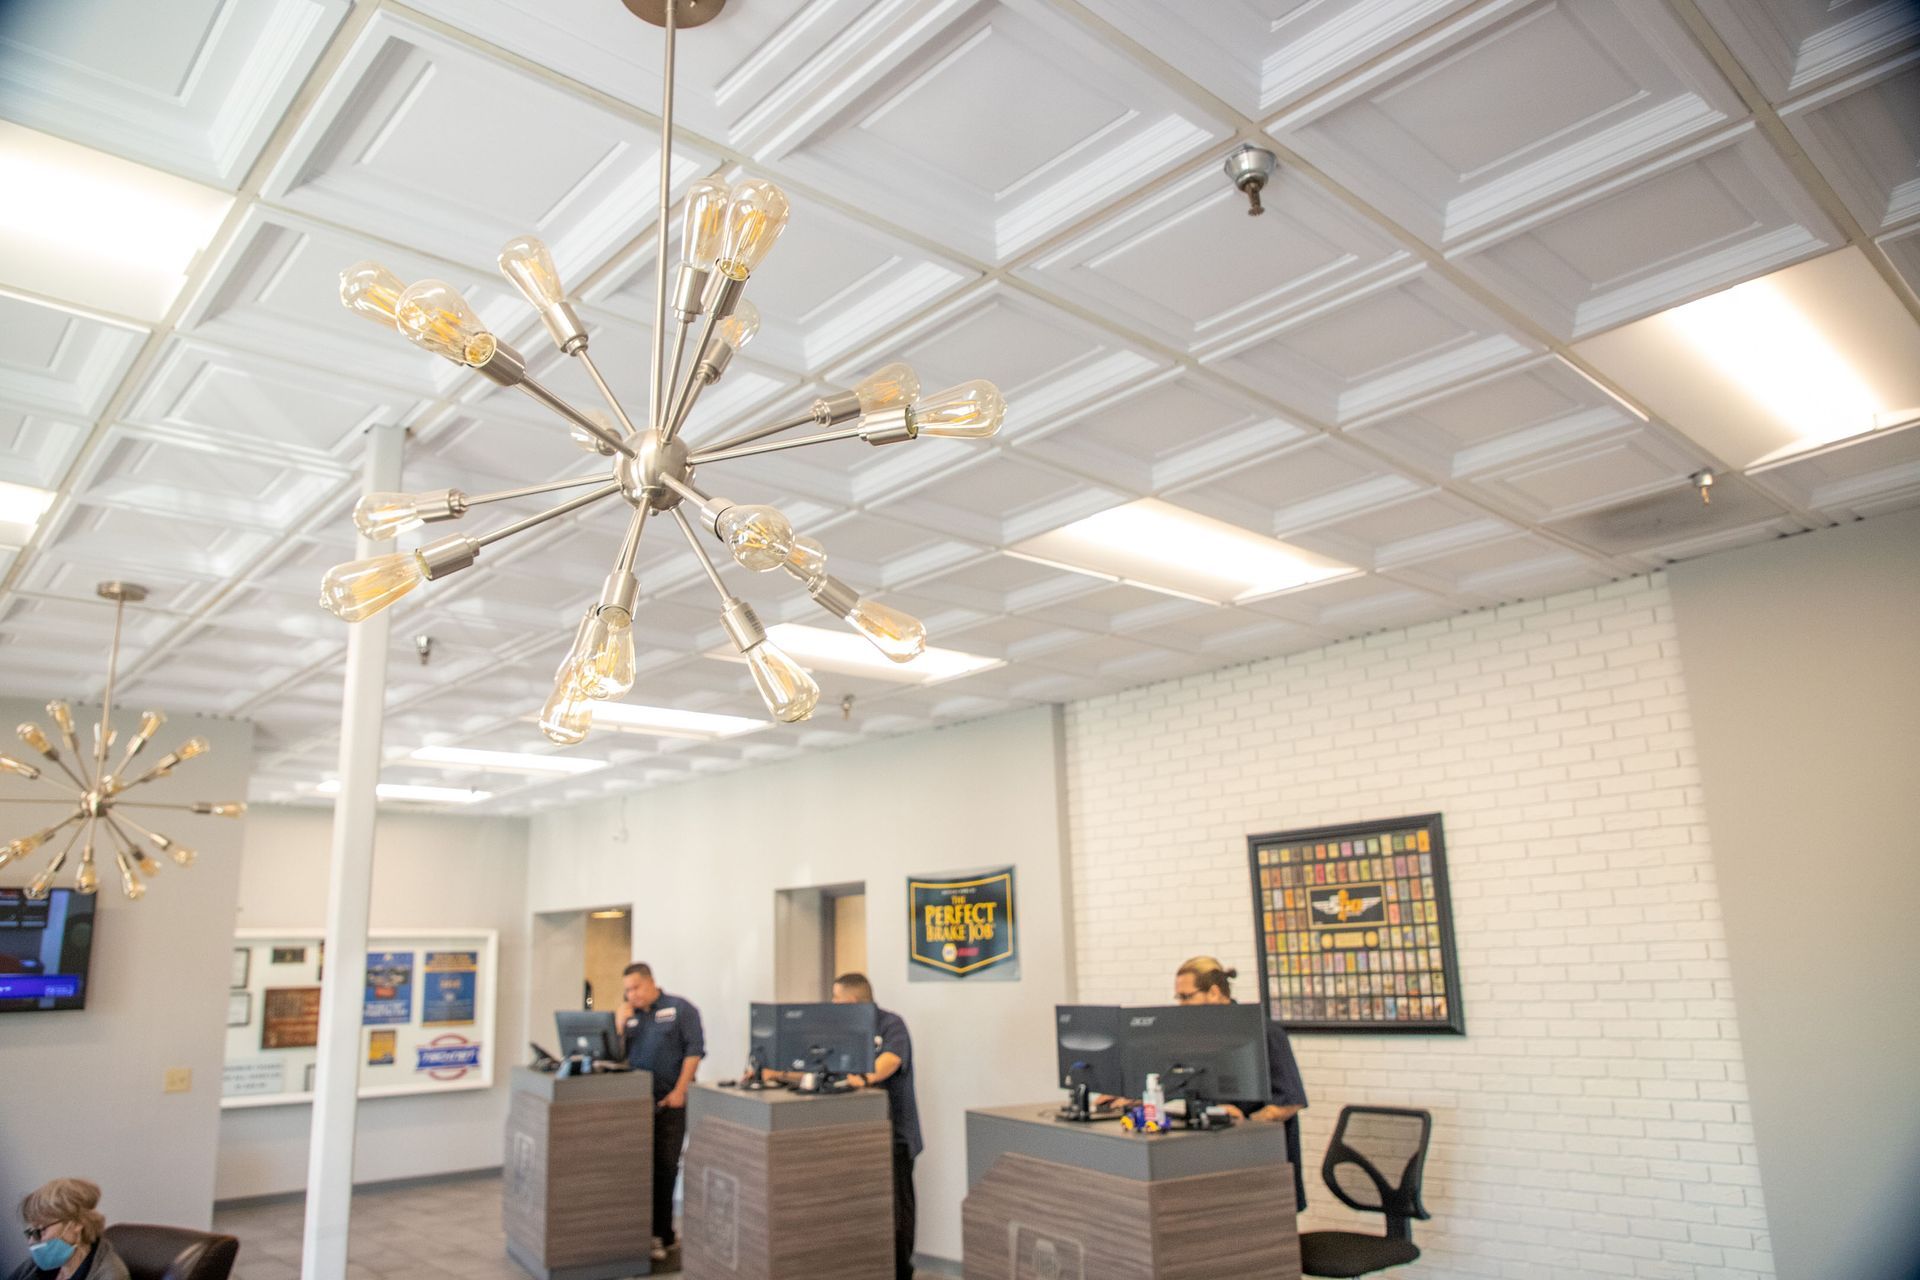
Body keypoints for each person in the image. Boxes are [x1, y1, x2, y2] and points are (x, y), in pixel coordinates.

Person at [1176, 955, 1310, 1212]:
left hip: (1264, 1164)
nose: (1181, 1006)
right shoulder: (1199, 1039)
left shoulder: (1265, 1032)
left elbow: (1291, 1102)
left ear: (1214, 992)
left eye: (1186, 997)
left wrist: (1245, 1121)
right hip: (1218, 1161)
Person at [830, 972, 922, 1280]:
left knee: (898, 1210)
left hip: (896, 1135)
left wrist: (865, 1078)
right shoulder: (842, 1029)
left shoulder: (891, 1024)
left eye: (836, 998)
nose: (832, 1004)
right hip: (858, 1136)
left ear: (853, 1001)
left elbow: (891, 1061)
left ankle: (901, 1270)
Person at [616, 962, 704, 1265]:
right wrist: (618, 1027)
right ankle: (652, 1233)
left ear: (650, 982)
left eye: (635, 988)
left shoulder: (680, 1009)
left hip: (669, 1103)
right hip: (634, 1105)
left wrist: (681, 1091)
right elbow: (615, 1059)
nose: (631, 995)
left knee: (665, 1168)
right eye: (627, 990)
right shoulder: (630, 1018)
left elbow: (694, 1050)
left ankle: (661, 1232)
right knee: (638, 1170)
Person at [9, 1179, 129, 1280]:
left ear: (77, 1223)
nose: (32, 1242)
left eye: (41, 1230)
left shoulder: (109, 1275)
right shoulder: (36, 1267)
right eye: (30, 1232)